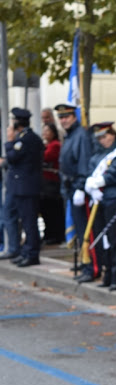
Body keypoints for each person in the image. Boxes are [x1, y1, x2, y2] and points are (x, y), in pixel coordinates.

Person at [84, 122, 116, 291]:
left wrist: (100, 182)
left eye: (105, 136)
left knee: (114, 240)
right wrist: (90, 185)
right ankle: (107, 274)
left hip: (114, 198)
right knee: (101, 240)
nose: (103, 140)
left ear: (113, 135)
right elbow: (90, 171)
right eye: (100, 138)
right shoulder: (97, 156)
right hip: (99, 200)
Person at [56, 103, 99, 282]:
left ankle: (91, 267)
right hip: (70, 188)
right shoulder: (71, 135)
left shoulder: (81, 135)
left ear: (74, 116)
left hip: (78, 188)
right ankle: (84, 261)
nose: (63, 120)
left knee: (85, 231)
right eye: (61, 117)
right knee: (80, 230)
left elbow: (83, 162)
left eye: (66, 116)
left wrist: (81, 187)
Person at [2, 108, 44, 267]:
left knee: (29, 222)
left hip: (26, 188)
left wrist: (10, 140)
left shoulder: (27, 139)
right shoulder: (25, 138)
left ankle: (32, 254)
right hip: (21, 187)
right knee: (26, 221)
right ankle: (26, 251)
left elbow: (13, 157)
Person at [40, 123, 65, 245]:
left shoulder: (55, 145)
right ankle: (49, 233)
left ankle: (55, 235)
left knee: (52, 211)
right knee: (47, 211)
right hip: (46, 183)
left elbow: (46, 157)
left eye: (47, 130)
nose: (44, 133)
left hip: (52, 183)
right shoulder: (48, 145)